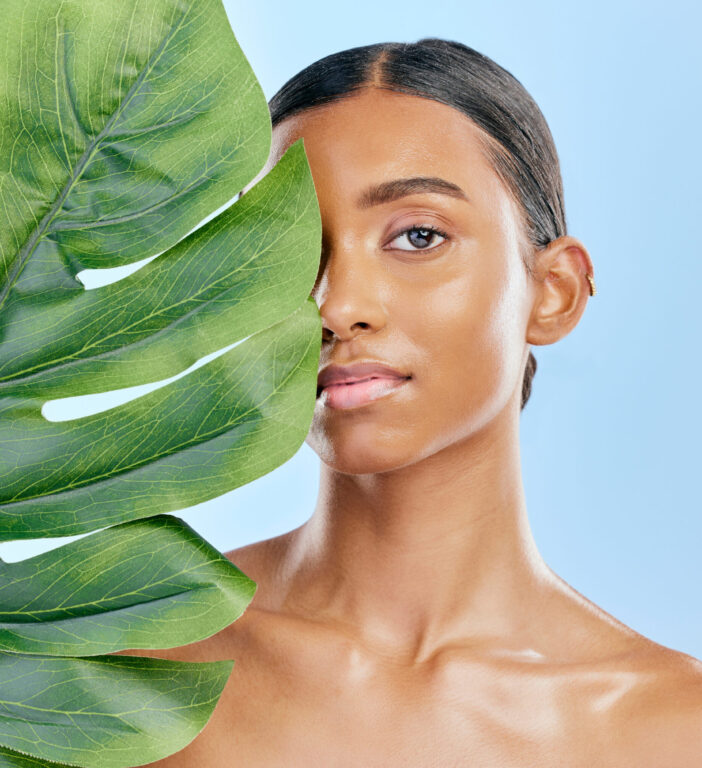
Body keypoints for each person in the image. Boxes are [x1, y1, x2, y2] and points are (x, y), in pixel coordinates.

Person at [143, 39, 702, 766]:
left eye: (417, 235)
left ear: (554, 292)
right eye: (291, 249)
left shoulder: (674, 729)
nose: (337, 304)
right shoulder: (128, 661)